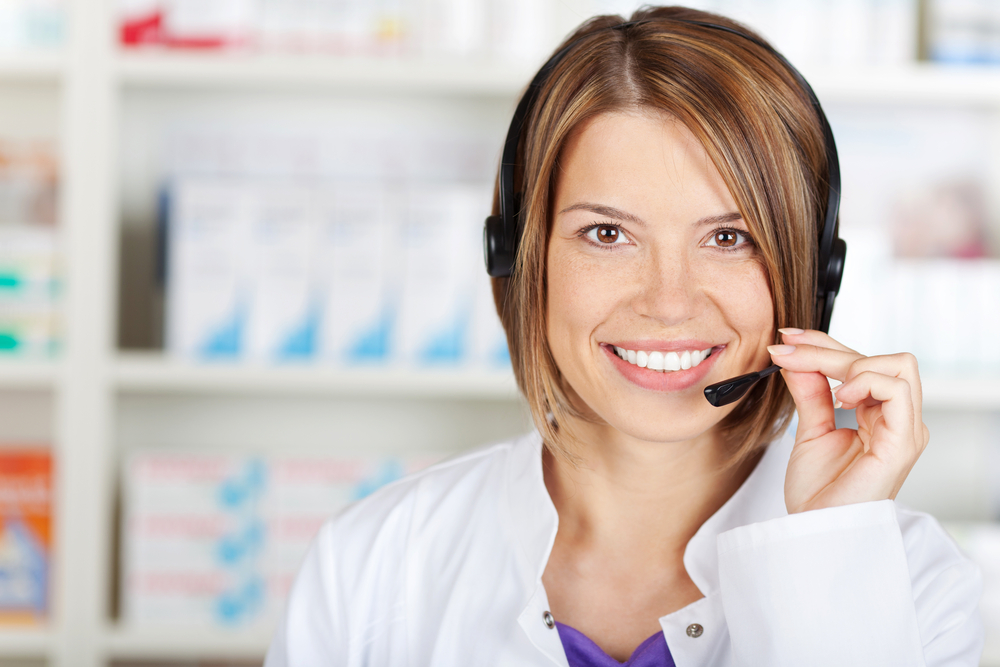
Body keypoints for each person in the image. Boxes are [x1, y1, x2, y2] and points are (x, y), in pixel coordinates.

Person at [264, 6, 983, 666]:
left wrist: (828, 558)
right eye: (607, 234)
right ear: (520, 257)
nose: (668, 302)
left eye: (729, 236)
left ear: (814, 272)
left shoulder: (913, 585)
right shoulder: (373, 563)